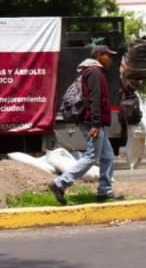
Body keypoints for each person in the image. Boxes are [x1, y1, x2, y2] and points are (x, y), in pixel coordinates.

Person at [49, 44, 125, 204]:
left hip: (95, 122)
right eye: (107, 55)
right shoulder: (94, 72)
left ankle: (104, 191)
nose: (110, 59)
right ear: (98, 56)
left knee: (108, 157)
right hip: (92, 123)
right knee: (91, 156)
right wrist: (96, 124)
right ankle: (60, 183)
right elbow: (94, 99)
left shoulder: (93, 72)